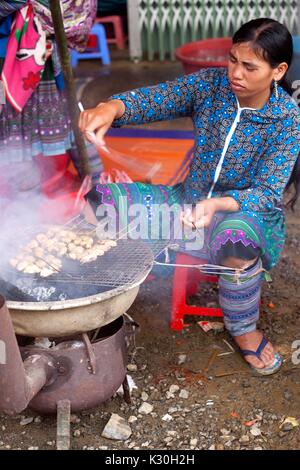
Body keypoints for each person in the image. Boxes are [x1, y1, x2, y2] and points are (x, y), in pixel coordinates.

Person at [79, 18, 300, 375]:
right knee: (99, 201)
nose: (236, 73)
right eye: (232, 60)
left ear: (278, 71)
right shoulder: (210, 86)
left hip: (243, 219)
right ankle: (96, 298)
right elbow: (157, 99)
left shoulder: (287, 120)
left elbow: (266, 192)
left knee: (236, 237)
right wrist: (110, 108)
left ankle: (244, 329)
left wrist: (215, 205)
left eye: (249, 66)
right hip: (185, 206)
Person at [0, 0, 102, 196]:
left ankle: (98, 186)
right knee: (14, 132)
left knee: (67, 120)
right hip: (11, 62)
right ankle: (26, 199)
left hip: (40, 60)